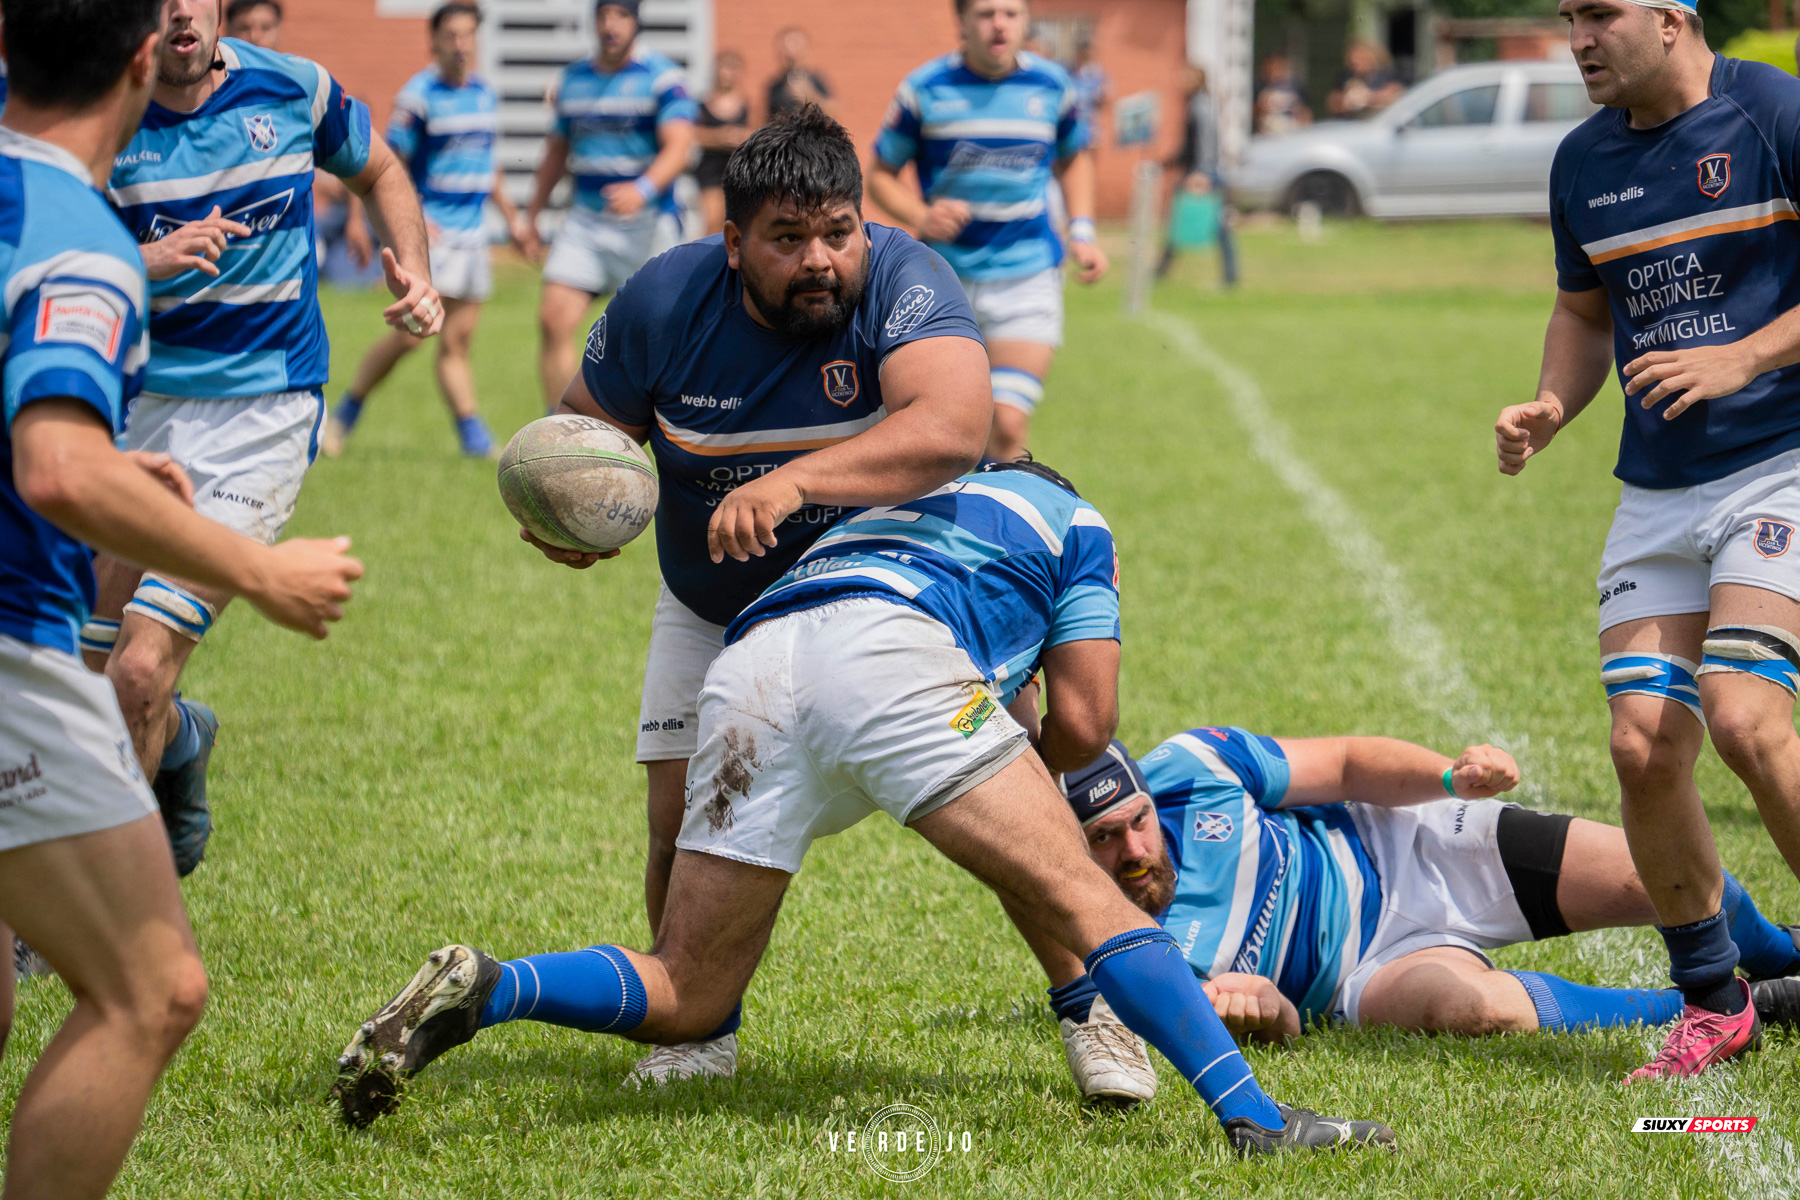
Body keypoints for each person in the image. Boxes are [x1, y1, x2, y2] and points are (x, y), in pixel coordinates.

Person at [330, 461, 1398, 1156]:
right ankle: (1259, 1121)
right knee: (1087, 897)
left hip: (751, 664)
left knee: (691, 990)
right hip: (888, 658)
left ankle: (491, 986)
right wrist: (1019, 708)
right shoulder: (1074, 518)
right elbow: (1085, 723)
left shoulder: (897, 512)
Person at [465, 107, 995, 1086]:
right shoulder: (663, 304)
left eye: (837, 232)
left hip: (876, 594)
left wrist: (797, 480)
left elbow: (960, 426)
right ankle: (696, 1029)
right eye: (788, 240)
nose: (821, 260)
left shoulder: (903, 280)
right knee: (677, 816)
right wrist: (572, 516)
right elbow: (584, 434)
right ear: (733, 243)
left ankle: (1091, 1003)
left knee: (1008, 795)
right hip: (710, 601)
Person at [0, 2, 363, 1194]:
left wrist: (115, 465)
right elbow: (50, 468)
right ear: (141, 59)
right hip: (13, 648)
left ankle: (168, 746)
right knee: (152, 990)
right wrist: (261, 569)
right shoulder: (80, 236)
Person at [1494, 0, 1800, 1080]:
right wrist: (1549, 405)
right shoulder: (1581, 161)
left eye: (1599, 13)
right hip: (1661, 491)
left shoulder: (1770, 111)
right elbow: (1584, 314)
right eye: (1567, 14)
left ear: (1673, 18)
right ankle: (1715, 1002)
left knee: (1746, 717)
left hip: (1783, 461)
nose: (1577, 35)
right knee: (1642, 746)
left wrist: (1744, 358)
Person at [86, 0, 441, 878]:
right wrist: (147, 265)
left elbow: (382, 169)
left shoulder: (292, 90)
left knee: (136, 671)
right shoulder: (102, 107)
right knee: (84, 680)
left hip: (263, 415)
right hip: (136, 414)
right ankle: (178, 740)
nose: (180, 12)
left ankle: (110, 921)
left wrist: (418, 273)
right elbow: (48, 259)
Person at [1035, 733, 1800, 1105]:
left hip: (1416, 848)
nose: (1135, 848)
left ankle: (1776, 952)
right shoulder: (1119, 954)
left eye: (1137, 820)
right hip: (1361, 975)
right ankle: (1741, 1005)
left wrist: (1447, 776)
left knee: (1658, 871)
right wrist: (1267, 1012)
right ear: (1071, 849)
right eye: (1103, 840)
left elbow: (1341, 765)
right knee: (1475, 1009)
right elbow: (1286, 1031)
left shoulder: (1193, 768)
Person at [870, 0, 1109, 464]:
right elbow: (879, 173)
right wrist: (920, 216)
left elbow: (1074, 158)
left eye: (1011, 12)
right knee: (943, 428)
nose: (999, 23)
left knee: (1007, 424)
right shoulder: (925, 89)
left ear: (1025, 21)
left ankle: (1003, 527)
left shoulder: (1052, 85)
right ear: (961, 22)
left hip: (1027, 276)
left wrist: (1082, 230)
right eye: (985, 13)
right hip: (943, 281)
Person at [324, 2, 530, 461]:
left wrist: (513, 219)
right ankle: (344, 415)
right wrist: (404, 216)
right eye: (451, 35)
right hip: (433, 237)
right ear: (433, 41)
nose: (460, 44)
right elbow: (382, 165)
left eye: (467, 34)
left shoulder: (484, 93)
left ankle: (473, 436)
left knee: (457, 340)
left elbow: (488, 168)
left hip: (474, 238)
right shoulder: (418, 98)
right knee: (409, 336)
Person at [522, 0, 695, 416]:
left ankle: (671, 426)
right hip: (585, 222)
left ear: (636, 23)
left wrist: (643, 188)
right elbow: (555, 155)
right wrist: (531, 217)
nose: (609, 25)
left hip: (648, 225)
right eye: (602, 16)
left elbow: (680, 145)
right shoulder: (573, 79)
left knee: (664, 338)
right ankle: (561, 430)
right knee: (553, 320)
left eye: (620, 16)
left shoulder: (663, 78)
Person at [1158, 65, 1238, 287]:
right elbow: (1188, 146)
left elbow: (1206, 142)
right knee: (1179, 222)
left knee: (1218, 227)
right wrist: (1167, 162)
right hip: (1197, 170)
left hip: (1203, 174)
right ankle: (1161, 270)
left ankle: (1230, 277)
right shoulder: (1196, 103)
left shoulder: (1201, 105)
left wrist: (1201, 173)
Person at [693, 49, 751, 236]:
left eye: (732, 68)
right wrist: (719, 137)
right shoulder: (702, 104)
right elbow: (692, 134)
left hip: (739, 172)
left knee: (740, 225)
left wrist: (741, 136)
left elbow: (759, 130)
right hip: (711, 172)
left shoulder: (747, 105)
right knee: (712, 224)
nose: (727, 73)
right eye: (723, 67)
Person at [766, 26, 832, 118]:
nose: (790, 53)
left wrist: (811, 97)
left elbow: (835, 114)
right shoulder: (775, 87)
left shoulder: (815, 80)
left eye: (795, 45)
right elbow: (766, 120)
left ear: (805, 51)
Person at [1327, 40, 1402, 118]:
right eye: (1352, 60)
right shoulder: (1346, 76)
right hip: (1351, 124)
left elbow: (1394, 96)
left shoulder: (1386, 75)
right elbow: (1333, 103)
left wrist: (1365, 99)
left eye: (1360, 58)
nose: (1355, 62)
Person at [1253, 53, 1311, 135]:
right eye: (1271, 67)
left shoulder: (1296, 86)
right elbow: (1253, 113)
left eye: (1277, 67)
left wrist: (1305, 127)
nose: (1274, 70)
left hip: (1292, 131)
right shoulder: (1259, 87)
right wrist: (1262, 107)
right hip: (1268, 132)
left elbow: (1305, 111)